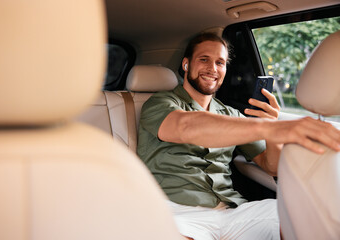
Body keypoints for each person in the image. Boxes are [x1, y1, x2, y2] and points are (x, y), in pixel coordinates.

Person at [137, 33, 340, 240]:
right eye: (204, 59)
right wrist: (271, 129)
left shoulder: (231, 114)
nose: (213, 69)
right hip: (177, 210)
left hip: (232, 211)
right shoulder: (160, 103)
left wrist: (271, 127)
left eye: (220, 62)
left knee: (299, 218)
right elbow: (185, 126)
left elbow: (270, 165)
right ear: (186, 64)